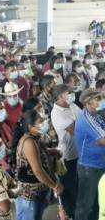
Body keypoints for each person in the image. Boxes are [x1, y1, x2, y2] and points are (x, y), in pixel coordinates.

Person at [15, 110, 64, 220]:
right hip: (29, 195)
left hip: (38, 191)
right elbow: (37, 171)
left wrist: (52, 151)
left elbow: (40, 152)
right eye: (40, 121)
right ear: (31, 126)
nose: (44, 122)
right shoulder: (28, 142)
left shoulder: (36, 137)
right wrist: (54, 186)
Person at [74, 89, 105, 220]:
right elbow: (103, 140)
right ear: (88, 102)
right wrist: (100, 141)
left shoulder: (96, 116)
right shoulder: (86, 118)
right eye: (97, 99)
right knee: (85, 204)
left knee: (97, 202)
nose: (101, 101)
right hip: (90, 168)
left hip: (99, 163)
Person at [50, 84, 80, 219]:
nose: (72, 95)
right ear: (61, 96)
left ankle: (75, 212)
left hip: (79, 152)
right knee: (69, 188)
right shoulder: (56, 113)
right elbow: (77, 130)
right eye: (69, 93)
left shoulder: (71, 105)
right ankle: (68, 215)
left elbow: (85, 118)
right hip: (69, 156)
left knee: (77, 186)